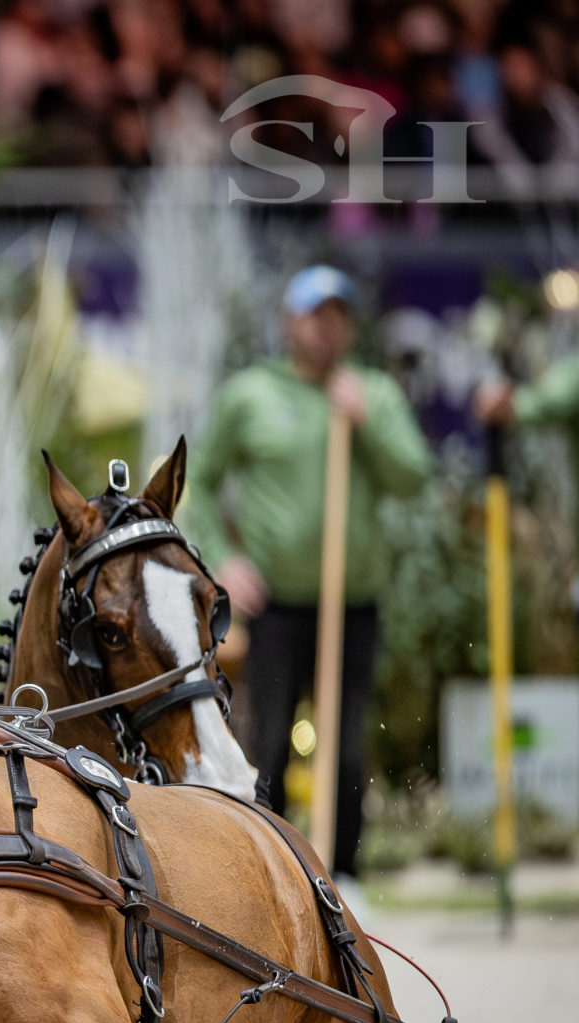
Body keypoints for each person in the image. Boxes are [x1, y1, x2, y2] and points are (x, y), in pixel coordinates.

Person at [180, 266, 434, 884]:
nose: (327, 327)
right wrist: (224, 562)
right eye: (315, 314)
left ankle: (343, 875)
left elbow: (414, 475)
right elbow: (202, 483)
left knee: (346, 745)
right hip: (277, 608)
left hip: (352, 603)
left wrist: (367, 418)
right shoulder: (252, 395)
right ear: (289, 323)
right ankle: (271, 872)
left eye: (339, 315)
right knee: (267, 740)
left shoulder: (371, 392)